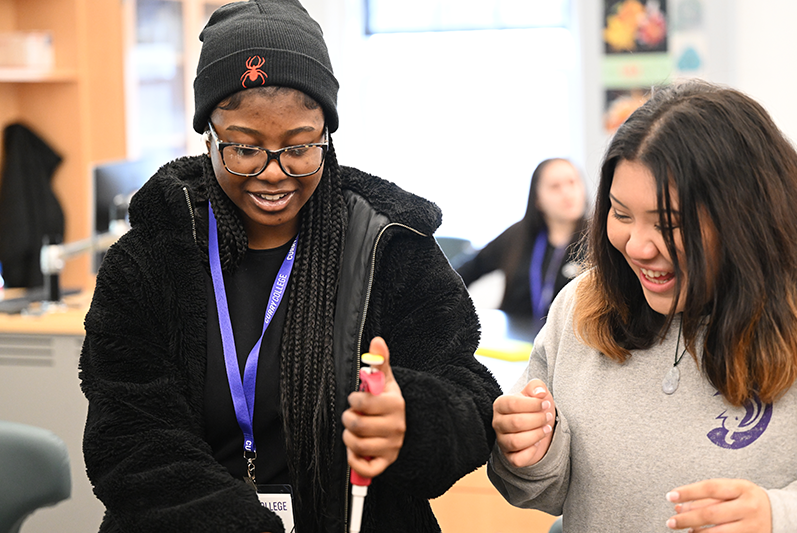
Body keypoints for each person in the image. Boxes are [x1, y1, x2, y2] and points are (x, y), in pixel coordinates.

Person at [78, 1, 501, 532]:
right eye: (245, 148)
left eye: (300, 146)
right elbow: (130, 436)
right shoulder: (150, 259)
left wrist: (412, 420)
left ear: (327, 133)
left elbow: (472, 391)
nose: (273, 174)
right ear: (208, 135)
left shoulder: (390, 246)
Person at [487, 79, 797, 532]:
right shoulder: (582, 306)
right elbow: (539, 491)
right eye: (620, 214)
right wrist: (532, 449)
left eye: (669, 224)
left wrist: (783, 518)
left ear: (746, 219)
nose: (637, 246)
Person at [455, 158, 588, 335]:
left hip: (570, 346)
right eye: (555, 187)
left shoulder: (599, 240)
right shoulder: (517, 235)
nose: (567, 193)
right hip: (516, 345)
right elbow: (465, 271)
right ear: (537, 199)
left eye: (572, 182)